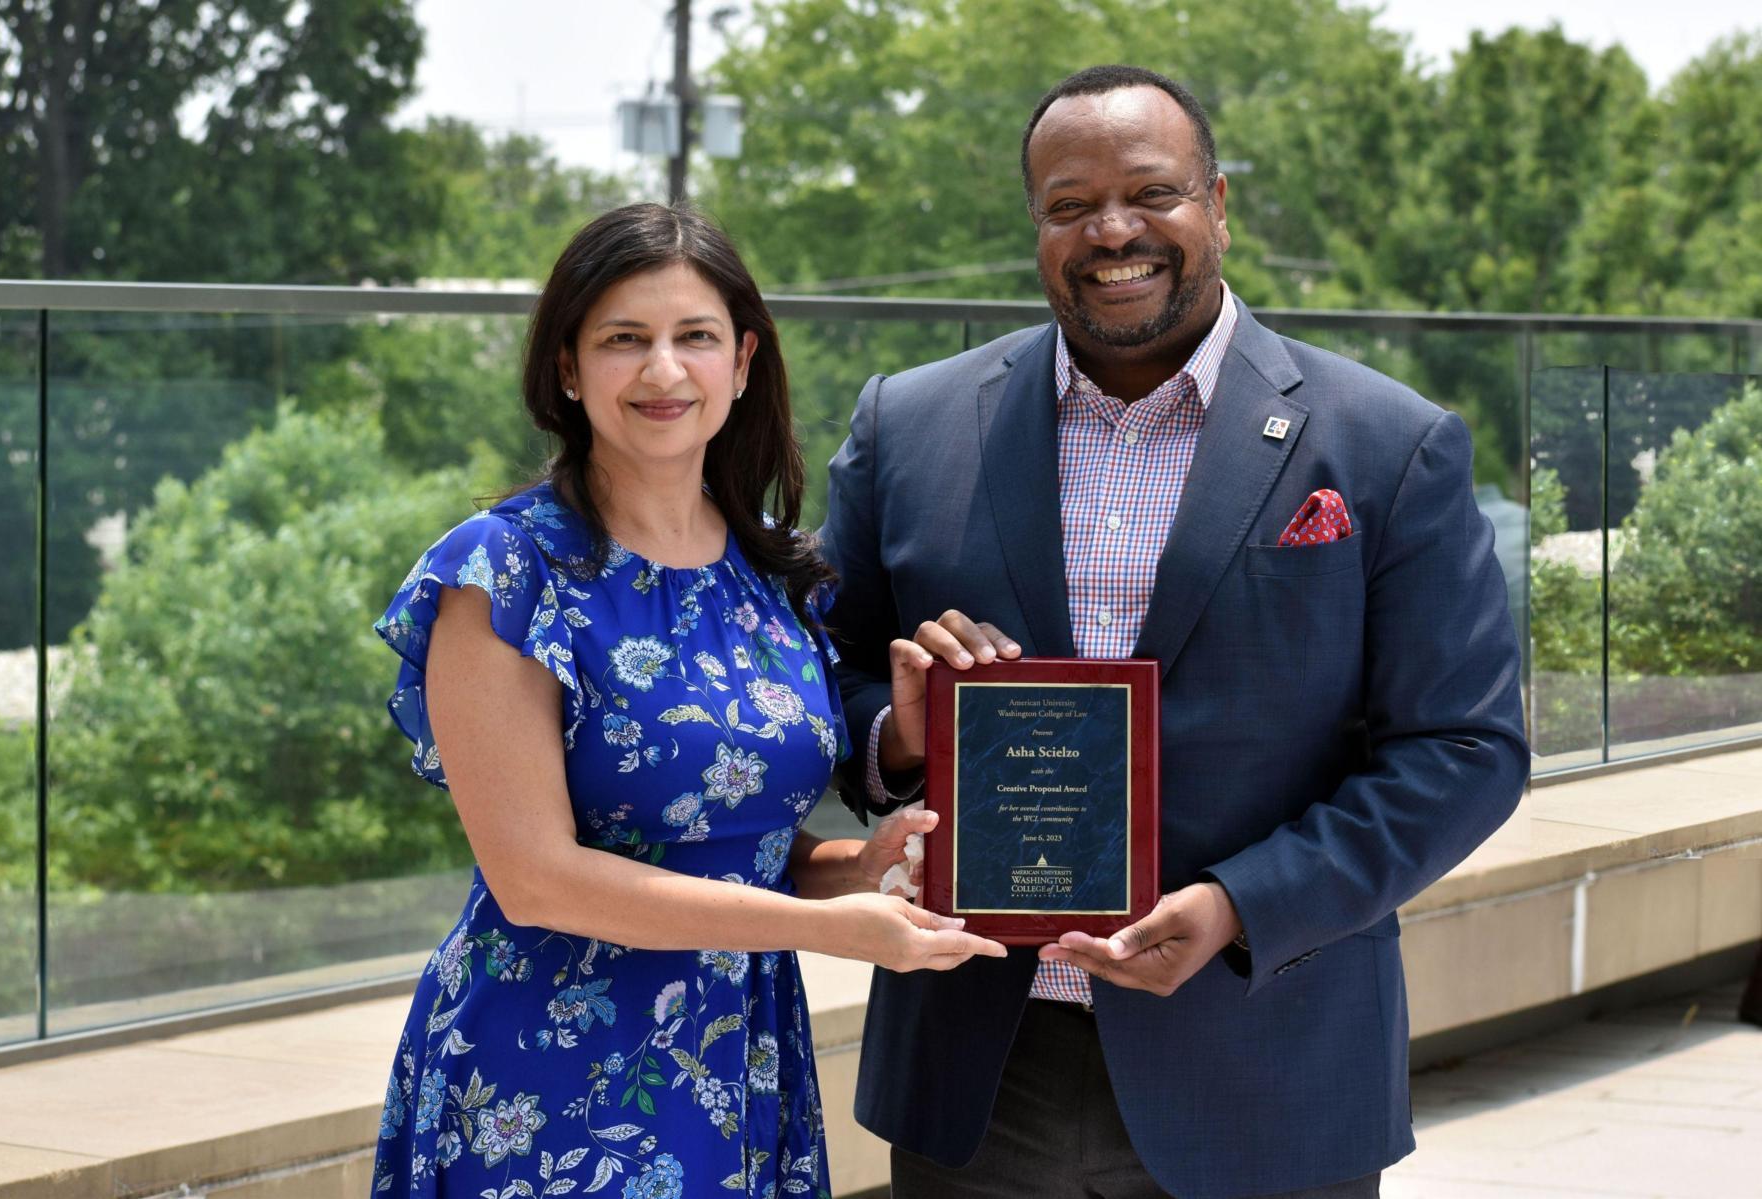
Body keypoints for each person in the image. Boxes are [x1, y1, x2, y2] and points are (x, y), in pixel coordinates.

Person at [820, 66, 1530, 1199]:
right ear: (1036, 226)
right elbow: (825, 669)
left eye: (1152, 193)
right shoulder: (908, 424)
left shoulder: (1388, 443)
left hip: (1267, 1055)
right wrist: (895, 740)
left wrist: (1244, 903)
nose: (1112, 231)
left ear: (1219, 204)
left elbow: (1466, 749)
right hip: (977, 1073)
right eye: (1068, 205)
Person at [367, 203, 1003, 1199]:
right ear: (569, 369)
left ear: (743, 361)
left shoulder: (775, 570)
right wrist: (827, 929)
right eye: (625, 340)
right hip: (544, 1076)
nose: (664, 371)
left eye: (694, 337)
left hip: (737, 1052)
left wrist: (853, 866)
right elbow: (537, 877)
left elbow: (722, 839)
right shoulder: (505, 572)